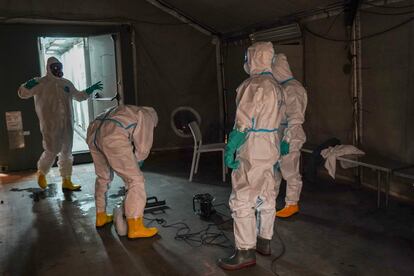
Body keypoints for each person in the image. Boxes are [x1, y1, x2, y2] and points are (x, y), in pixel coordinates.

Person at [218, 42, 285, 270]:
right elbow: (283, 120)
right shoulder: (276, 86)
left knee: (243, 196)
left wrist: (231, 147)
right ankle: (264, 241)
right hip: (272, 143)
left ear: (253, 58)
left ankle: (245, 251)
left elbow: (243, 122)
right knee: (267, 192)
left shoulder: (253, 85)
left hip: (254, 145)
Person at [18, 57, 103, 191]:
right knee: (52, 150)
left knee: (67, 152)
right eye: (55, 67)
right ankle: (42, 173)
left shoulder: (66, 83)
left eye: (60, 66)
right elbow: (23, 94)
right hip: (50, 124)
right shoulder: (40, 83)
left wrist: (90, 90)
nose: (58, 70)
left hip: (67, 123)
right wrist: (26, 86)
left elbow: (79, 96)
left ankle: (66, 180)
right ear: (49, 68)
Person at [86, 104, 159, 239]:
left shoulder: (129, 110)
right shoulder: (147, 116)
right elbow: (143, 147)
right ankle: (136, 227)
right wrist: (137, 162)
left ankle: (100, 216)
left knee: (103, 177)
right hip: (113, 136)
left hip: (94, 132)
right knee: (135, 180)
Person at [272, 53, 308, 218]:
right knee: (276, 171)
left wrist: (287, 139)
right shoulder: (283, 87)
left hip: (290, 137)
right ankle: (270, 201)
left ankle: (292, 204)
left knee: (290, 172)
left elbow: (295, 118)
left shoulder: (293, 88)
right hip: (280, 135)